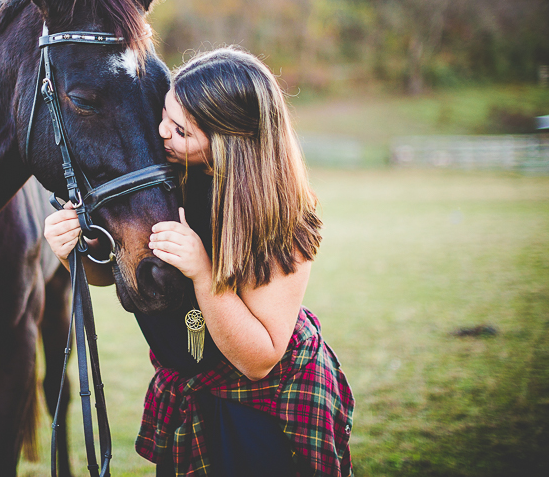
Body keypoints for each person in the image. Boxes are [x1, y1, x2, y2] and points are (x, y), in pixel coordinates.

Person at [43, 47, 354, 477]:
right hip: (187, 391)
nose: (161, 133)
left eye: (181, 130)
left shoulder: (280, 217)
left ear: (231, 143)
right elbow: (116, 273)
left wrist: (203, 271)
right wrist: (69, 252)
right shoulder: (165, 177)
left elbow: (259, 359)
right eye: (165, 116)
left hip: (262, 408)